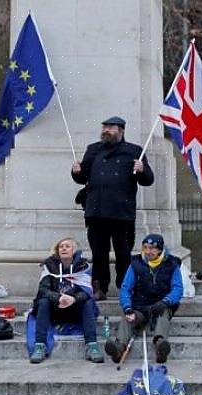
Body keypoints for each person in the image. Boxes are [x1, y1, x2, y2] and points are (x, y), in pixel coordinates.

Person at [71, 116, 155, 300]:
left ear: (121, 130)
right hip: (96, 212)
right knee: (98, 254)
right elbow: (83, 176)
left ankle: (125, 288)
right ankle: (99, 288)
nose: (106, 130)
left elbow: (147, 180)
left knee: (123, 254)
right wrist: (76, 171)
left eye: (110, 127)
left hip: (121, 213)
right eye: (104, 127)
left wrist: (142, 169)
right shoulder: (93, 150)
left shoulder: (134, 151)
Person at [104, 234, 182, 365]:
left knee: (162, 316)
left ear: (160, 249)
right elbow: (126, 288)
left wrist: (166, 301)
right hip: (140, 305)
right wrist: (127, 306)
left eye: (152, 248)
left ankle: (160, 346)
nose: (148, 252)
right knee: (129, 318)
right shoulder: (136, 263)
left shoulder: (172, 264)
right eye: (145, 248)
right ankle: (119, 348)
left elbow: (178, 289)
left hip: (161, 304)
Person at [29, 238, 103, 364]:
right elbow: (43, 289)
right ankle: (40, 345)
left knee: (88, 302)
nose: (63, 248)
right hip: (56, 308)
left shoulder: (83, 266)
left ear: (74, 250)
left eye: (67, 246)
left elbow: (87, 291)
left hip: (75, 308)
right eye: (61, 246)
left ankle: (92, 345)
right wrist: (59, 298)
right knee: (43, 302)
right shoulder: (49, 265)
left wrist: (73, 299)